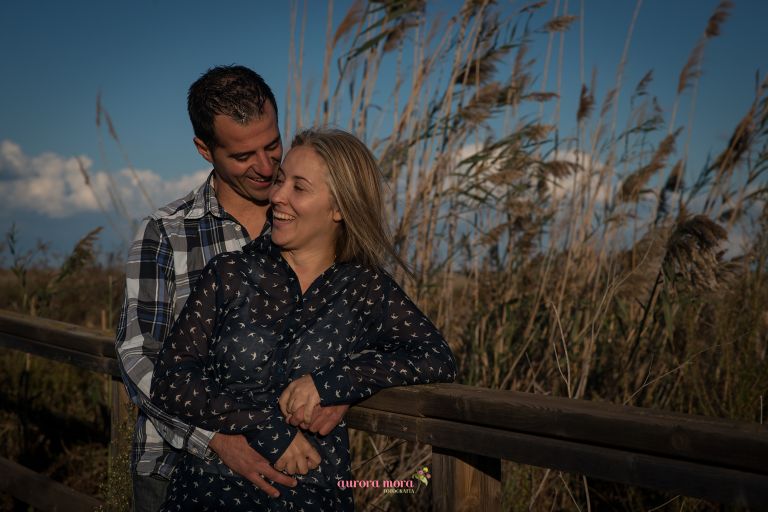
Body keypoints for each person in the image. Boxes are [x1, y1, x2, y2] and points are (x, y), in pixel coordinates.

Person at [150, 128, 458, 511]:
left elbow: (436, 356)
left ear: (339, 208)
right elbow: (171, 378)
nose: (277, 195)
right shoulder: (230, 274)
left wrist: (338, 383)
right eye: (281, 181)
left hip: (310, 498)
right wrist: (266, 427)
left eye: (299, 187)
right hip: (209, 493)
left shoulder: (364, 288)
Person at [116, 65, 345, 512]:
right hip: (177, 468)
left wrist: (343, 386)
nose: (265, 167)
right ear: (205, 149)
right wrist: (216, 440)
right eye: (243, 156)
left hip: (300, 474)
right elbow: (139, 355)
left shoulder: (317, 221)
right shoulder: (166, 233)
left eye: (273, 144)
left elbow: (362, 327)